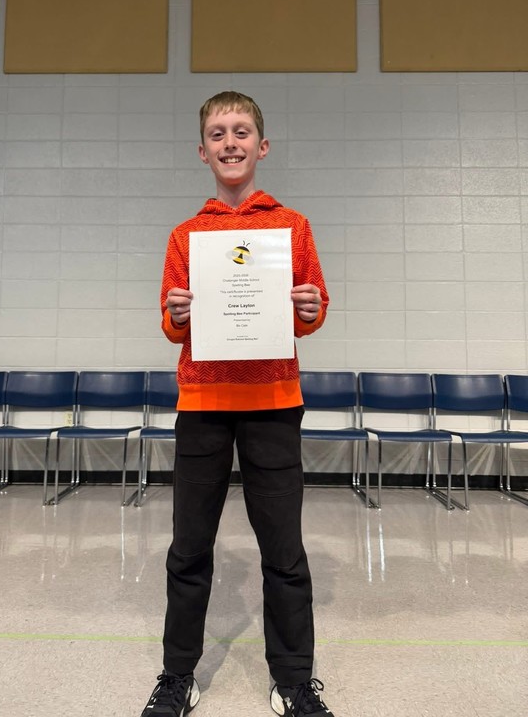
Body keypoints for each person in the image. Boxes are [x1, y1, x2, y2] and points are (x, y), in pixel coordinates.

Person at [140, 91, 331, 717]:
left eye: (241, 131)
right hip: (202, 402)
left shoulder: (292, 227)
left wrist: (310, 309)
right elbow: (171, 324)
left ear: (262, 145)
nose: (230, 142)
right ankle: (178, 678)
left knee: (283, 549)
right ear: (203, 151)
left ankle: (293, 682)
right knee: (189, 547)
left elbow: (313, 308)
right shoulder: (186, 234)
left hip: (275, 402)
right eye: (218, 133)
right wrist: (175, 314)